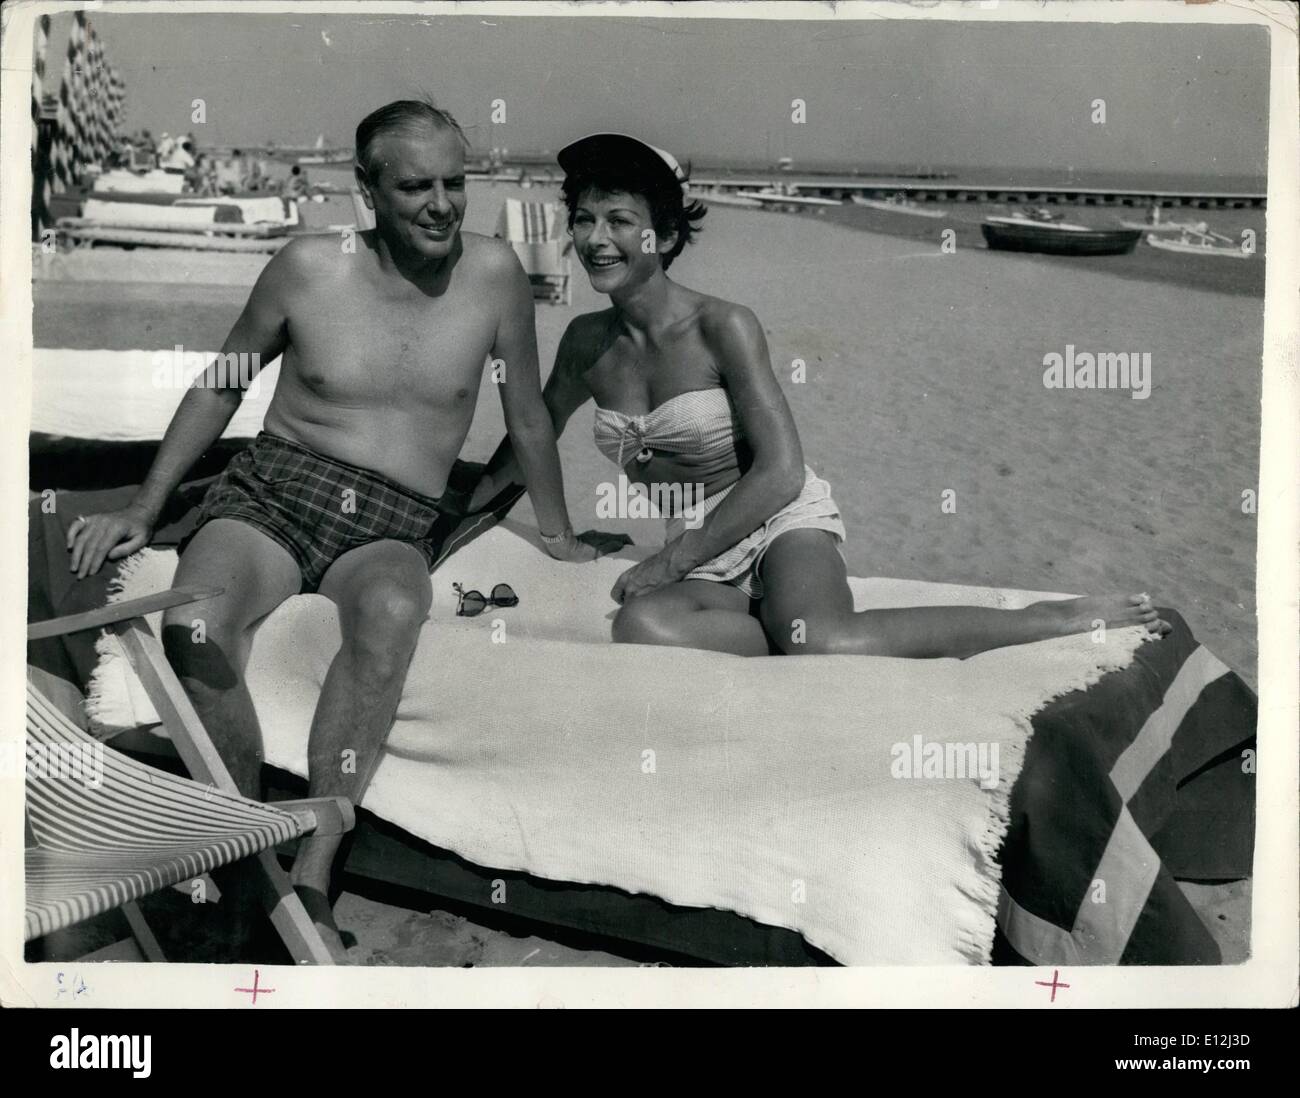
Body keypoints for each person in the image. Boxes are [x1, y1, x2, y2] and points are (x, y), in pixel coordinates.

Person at [67, 99, 618, 959]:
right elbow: (220, 385)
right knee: (196, 627)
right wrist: (144, 507)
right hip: (274, 495)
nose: (441, 205)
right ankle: (246, 850)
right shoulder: (305, 269)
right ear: (367, 190)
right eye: (415, 187)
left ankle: (316, 873)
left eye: (454, 183)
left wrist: (559, 535)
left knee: (395, 612)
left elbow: (530, 417)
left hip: (393, 517)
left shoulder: (497, 275)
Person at [474, 132, 1172, 659]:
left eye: (619, 220)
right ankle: (773, 625)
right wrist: (510, 524)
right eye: (585, 220)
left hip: (776, 518)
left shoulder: (723, 326)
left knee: (827, 642)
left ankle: (1052, 620)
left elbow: (780, 471)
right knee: (644, 626)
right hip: (693, 536)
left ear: (663, 230)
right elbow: (532, 426)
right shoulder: (585, 342)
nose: (597, 240)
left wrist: (669, 562)